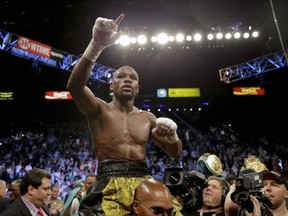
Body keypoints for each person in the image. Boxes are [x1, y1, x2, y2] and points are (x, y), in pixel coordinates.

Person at [67, 13, 183, 216]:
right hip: (108, 184)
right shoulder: (99, 109)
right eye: (121, 76)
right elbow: (75, 86)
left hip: (145, 185)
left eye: (133, 78)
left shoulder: (148, 118)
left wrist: (173, 137)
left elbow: (175, 152)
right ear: (111, 85)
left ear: (138, 88)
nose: (127, 79)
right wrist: (96, 46)